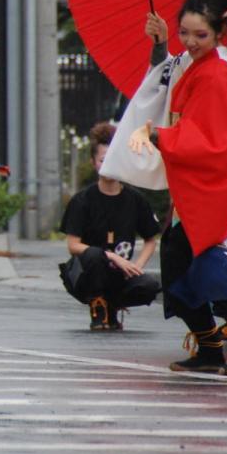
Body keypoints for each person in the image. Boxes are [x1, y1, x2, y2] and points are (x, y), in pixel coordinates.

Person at [128, 0, 227, 376]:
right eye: (184, 32)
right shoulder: (201, 62)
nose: (189, 41)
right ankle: (208, 348)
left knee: (214, 263)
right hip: (199, 177)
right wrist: (160, 42)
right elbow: (165, 82)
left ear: (220, 31)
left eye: (198, 34)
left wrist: (156, 133)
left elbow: (212, 137)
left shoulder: (219, 69)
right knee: (178, 264)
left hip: (224, 178)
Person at [59, 122, 161, 330]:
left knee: (150, 285)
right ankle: (97, 305)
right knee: (96, 255)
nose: (108, 166)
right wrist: (111, 256)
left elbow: (151, 239)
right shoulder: (82, 200)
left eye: (113, 160)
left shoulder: (135, 199)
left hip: (120, 274)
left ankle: (113, 305)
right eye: (103, 160)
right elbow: (73, 245)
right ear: (93, 162)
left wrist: (136, 267)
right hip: (86, 273)